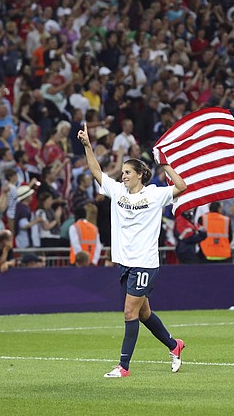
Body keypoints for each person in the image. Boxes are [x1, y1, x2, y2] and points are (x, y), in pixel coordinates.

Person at [77, 122, 188, 378]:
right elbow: (97, 172)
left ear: (139, 174)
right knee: (144, 313)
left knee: (129, 311)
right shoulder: (117, 192)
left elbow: (181, 187)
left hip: (145, 262)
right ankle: (174, 345)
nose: (123, 175)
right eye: (123, 172)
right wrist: (87, 146)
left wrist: (165, 164)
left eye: (127, 172)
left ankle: (123, 367)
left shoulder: (154, 194)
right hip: (125, 262)